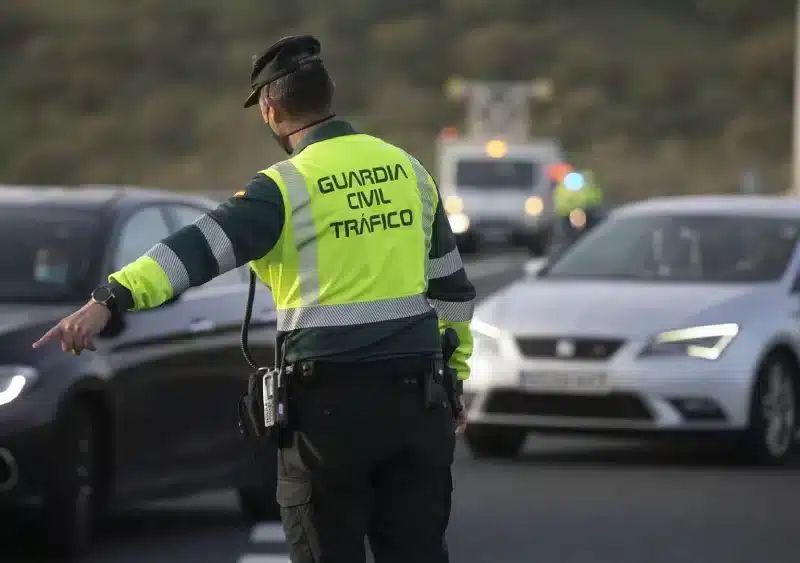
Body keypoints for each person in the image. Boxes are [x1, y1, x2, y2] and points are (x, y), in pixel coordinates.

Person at [32, 34, 476, 563]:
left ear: (270, 109)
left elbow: (194, 250)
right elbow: (452, 290)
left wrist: (110, 297)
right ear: (329, 97)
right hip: (417, 403)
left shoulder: (284, 188)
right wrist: (453, 381)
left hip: (329, 417)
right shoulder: (409, 170)